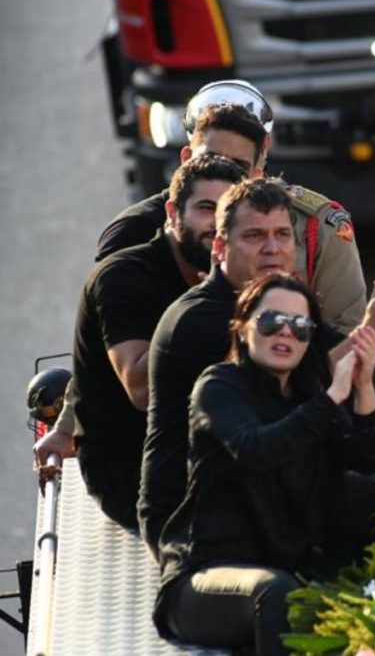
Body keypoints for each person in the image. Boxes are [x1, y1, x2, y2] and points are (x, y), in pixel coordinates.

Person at [34, 89, 368, 467]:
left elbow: (351, 343)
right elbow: (112, 341)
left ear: (261, 167)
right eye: (210, 161)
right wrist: (68, 427)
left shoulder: (316, 226)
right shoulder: (137, 233)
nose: (221, 181)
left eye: (237, 168)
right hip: (169, 446)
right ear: (186, 159)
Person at [137, 178, 375, 555]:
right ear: (220, 247)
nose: (273, 249)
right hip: (203, 516)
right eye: (255, 236)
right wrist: (372, 328)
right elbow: (259, 440)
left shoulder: (288, 306)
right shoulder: (198, 320)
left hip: (285, 483)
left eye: (282, 235)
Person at [154, 274, 375, 655]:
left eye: (300, 326)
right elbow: (257, 451)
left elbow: (369, 458)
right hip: (206, 580)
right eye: (270, 321)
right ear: (243, 327)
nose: (285, 333)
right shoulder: (218, 386)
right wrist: (330, 400)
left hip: (292, 560)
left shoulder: (306, 390)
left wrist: (363, 386)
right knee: (278, 594)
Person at [68, 154, 247, 528]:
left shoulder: (238, 272)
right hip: (136, 476)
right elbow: (140, 388)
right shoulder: (122, 276)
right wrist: (211, 306)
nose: (215, 225)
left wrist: (371, 332)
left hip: (220, 447)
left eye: (225, 212)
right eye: (204, 208)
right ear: (171, 211)